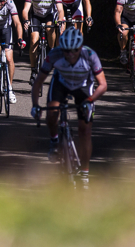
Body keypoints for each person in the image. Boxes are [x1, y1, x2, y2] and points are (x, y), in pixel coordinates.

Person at [30, 27, 108, 187]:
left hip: (83, 87)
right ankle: (54, 141)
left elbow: (103, 85)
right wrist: (35, 106)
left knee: (84, 130)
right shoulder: (54, 54)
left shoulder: (90, 55)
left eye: (74, 50)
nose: (70, 54)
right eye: (66, 51)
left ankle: (84, 173)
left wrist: (90, 99)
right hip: (61, 84)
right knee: (51, 114)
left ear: (80, 48)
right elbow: (38, 82)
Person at [22, 0, 65, 84]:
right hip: (35, 16)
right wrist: (26, 20)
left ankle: (51, 50)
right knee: (33, 40)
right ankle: (33, 70)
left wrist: (60, 20)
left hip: (48, 15)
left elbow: (60, 10)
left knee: (50, 29)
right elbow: (25, 9)